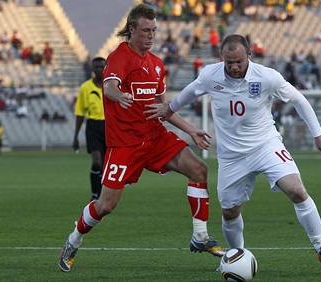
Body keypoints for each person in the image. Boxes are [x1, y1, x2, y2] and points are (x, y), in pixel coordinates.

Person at [145, 34, 321, 265]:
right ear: (222, 58)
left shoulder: (266, 77)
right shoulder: (211, 75)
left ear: (249, 55)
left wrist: (318, 134)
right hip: (231, 157)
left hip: (265, 145)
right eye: (228, 61)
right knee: (230, 212)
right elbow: (190, 92)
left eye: (238, 61)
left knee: (296, 190)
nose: (233, 66)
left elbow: (299, 100)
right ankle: (237, 257)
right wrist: (169, 108)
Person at [58, 4, 224, 273]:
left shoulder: (157, 65)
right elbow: (109, 85)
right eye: (146, 30)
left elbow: (163, 108)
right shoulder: (120, 57)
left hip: (155, 138)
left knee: (198, 169)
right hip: (125, 145)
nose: (151, 35)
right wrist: (118, 95)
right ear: (132, 30)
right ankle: (73, 240)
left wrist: (191, 130)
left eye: (154, 30)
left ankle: (200, 236)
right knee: (106, 204)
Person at [72, 57, 107, 201]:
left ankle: (103, 194)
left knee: (105, 164)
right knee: (97, 161)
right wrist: (75, 136)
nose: (99, 70)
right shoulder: (85, 88)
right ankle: (95, 194)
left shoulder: (111, 86)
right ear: (92, 69)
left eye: (101, 67)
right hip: (92, 126)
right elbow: (80, 113)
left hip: (109, 126)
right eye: (96, 67)